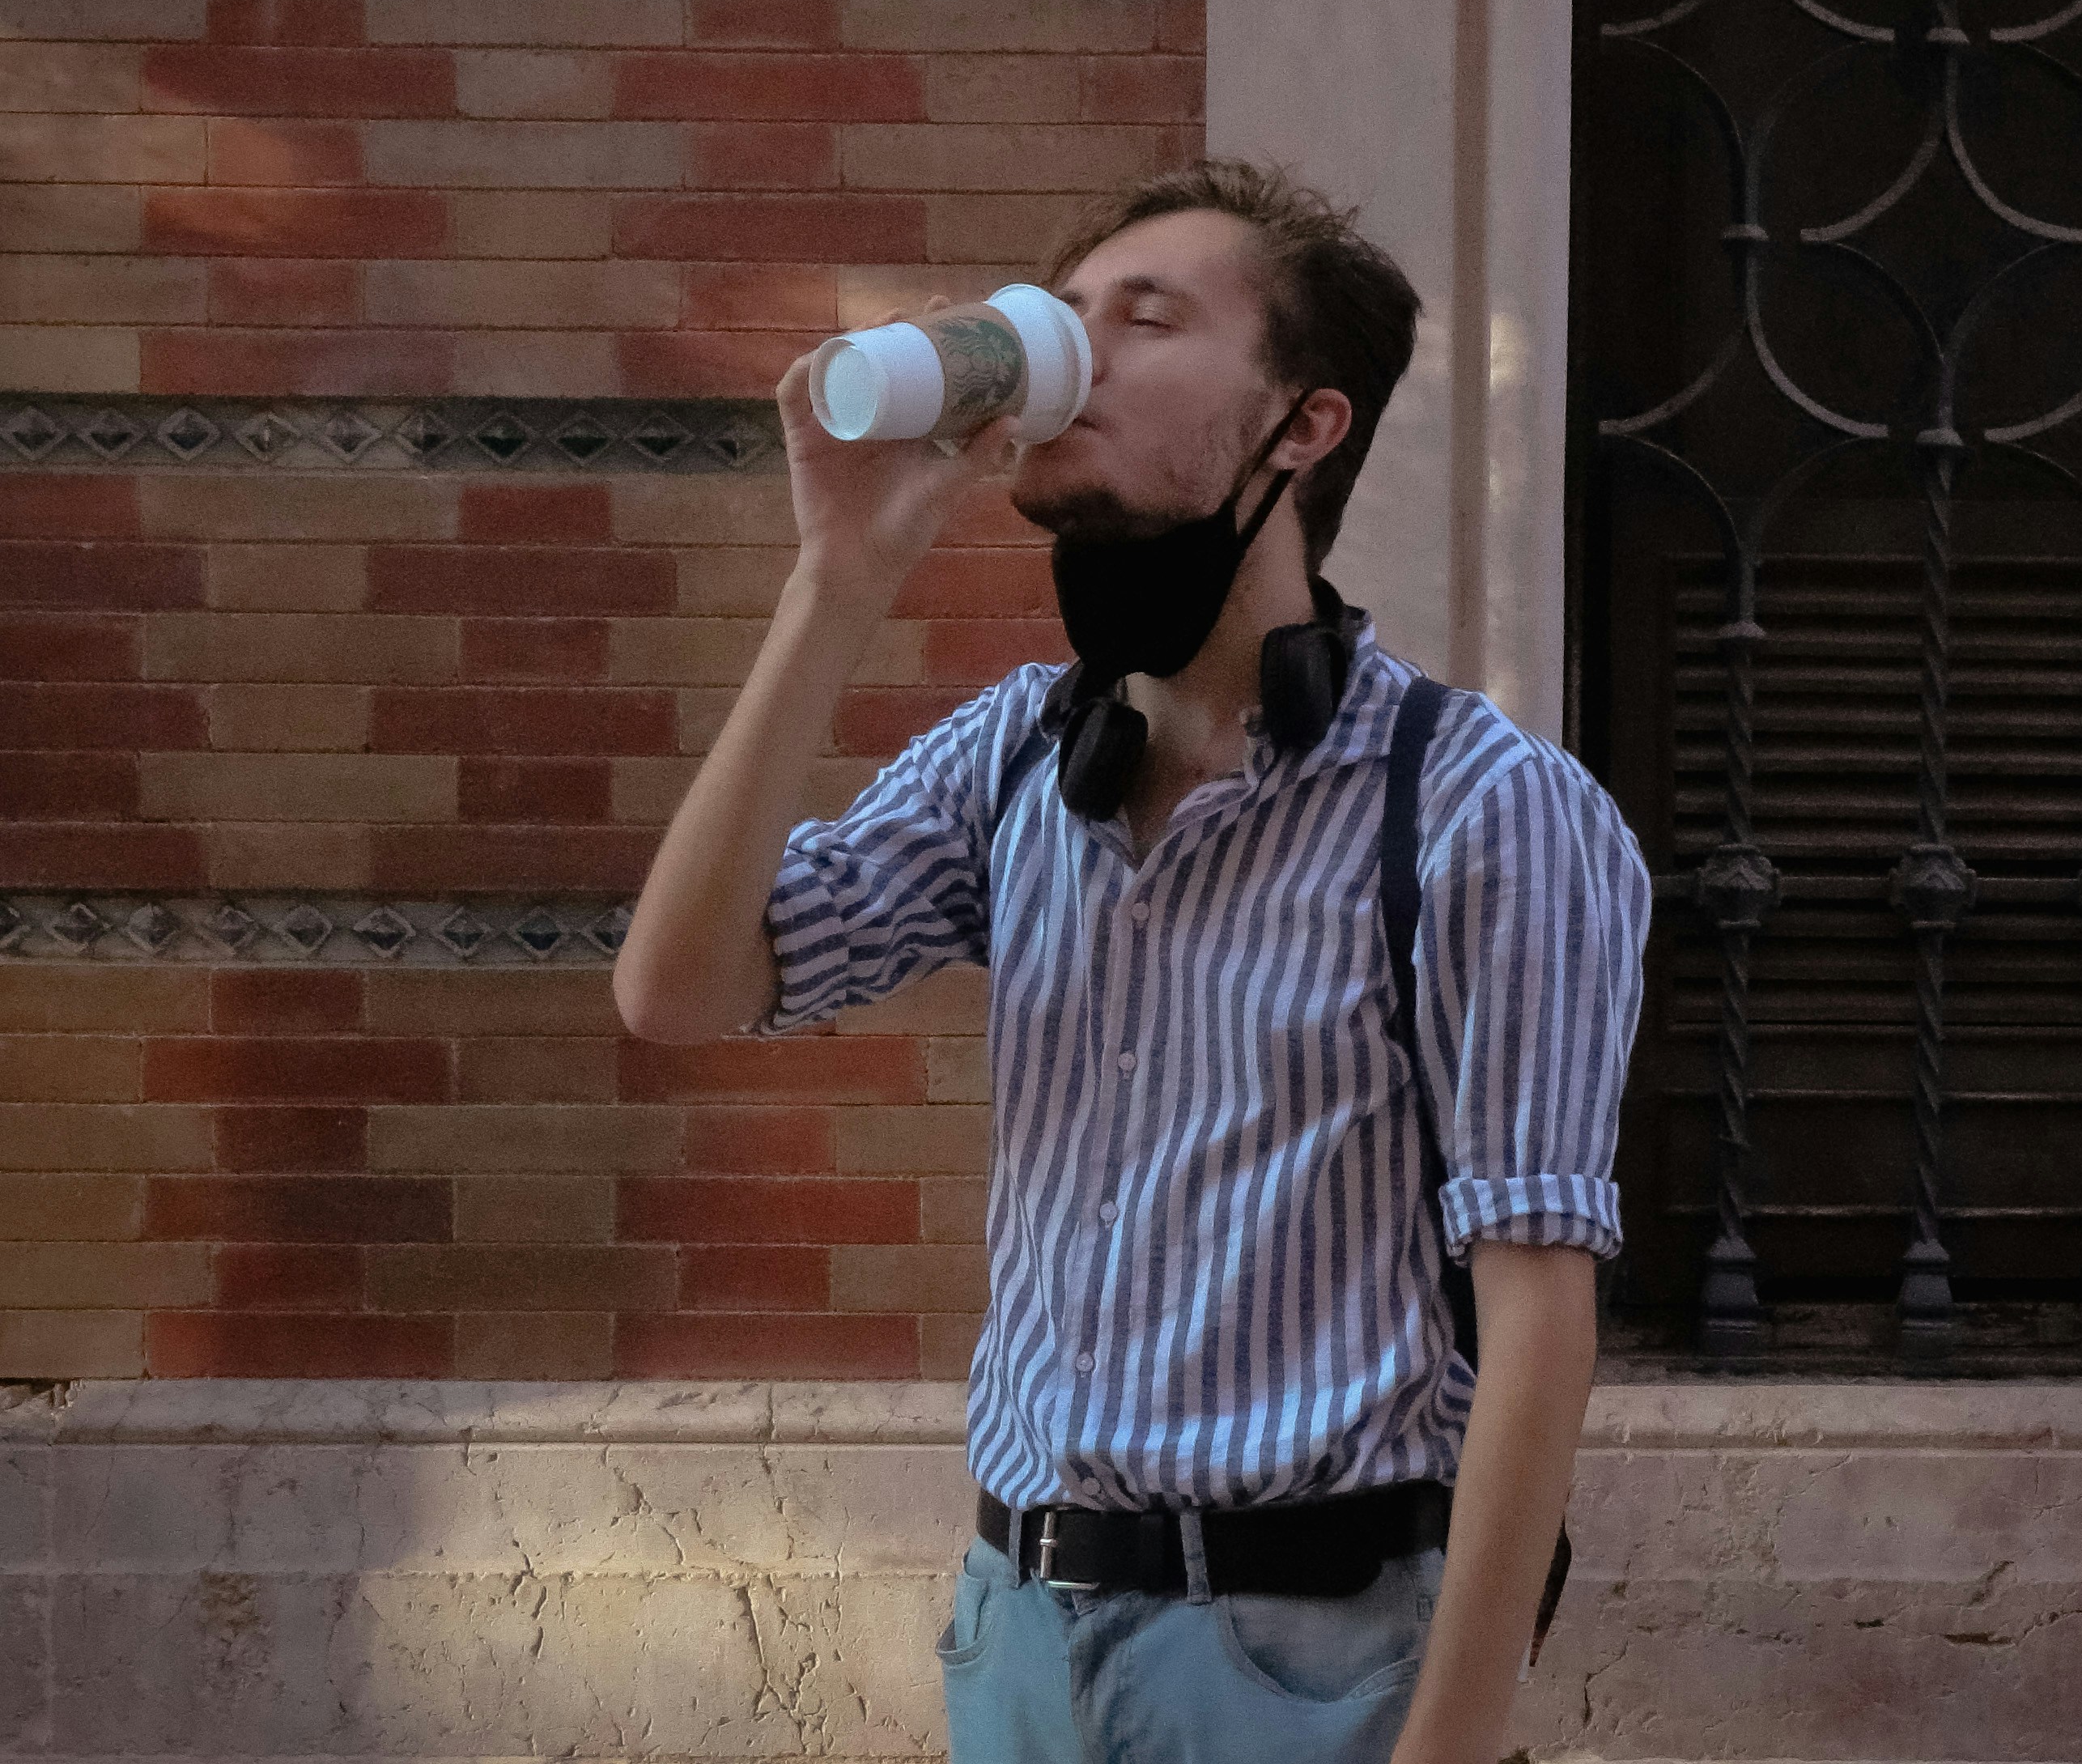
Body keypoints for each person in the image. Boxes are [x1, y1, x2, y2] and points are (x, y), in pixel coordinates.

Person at [614, 159, 1650, 1764]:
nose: (1076, 355)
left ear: (1303, 426)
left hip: (1314, 1665)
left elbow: (1539, 1319)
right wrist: (839, 579)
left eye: (1144, 319)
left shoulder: (1485, 810)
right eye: (1069, 316)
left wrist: (1446, 1750)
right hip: (1018, 1633)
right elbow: (677, 993)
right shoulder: (1010, 762)